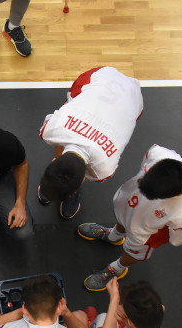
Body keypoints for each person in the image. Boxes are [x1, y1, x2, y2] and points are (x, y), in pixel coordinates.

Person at [77, 144, 182, 291]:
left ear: (176, 195)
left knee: (133, 251)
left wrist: (156, 237)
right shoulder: (157, 153)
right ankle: (113, 235)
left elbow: (177, 239)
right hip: (129, 203)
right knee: (123, 217)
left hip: (146, 232)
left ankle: (117, 268)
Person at [38, 66, 143, 219]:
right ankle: (63, 186)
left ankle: (69, 190)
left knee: (63, 135)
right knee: (64, 129)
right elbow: (61, 139)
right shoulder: (53, 129)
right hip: (100, 80)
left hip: (131, 97)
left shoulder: (105, 167)